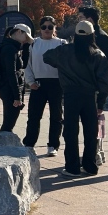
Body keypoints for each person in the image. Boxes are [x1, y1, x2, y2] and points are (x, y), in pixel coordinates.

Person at [44, 20, 108, 177]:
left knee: (70, 132)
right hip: (90, 97)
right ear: (92, 35)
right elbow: (105, 83)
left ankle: (72, 167)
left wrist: (62, 66)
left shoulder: (64, 51)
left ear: (75, 35)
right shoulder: (98, 55)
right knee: (91, 132)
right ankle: (90, 166)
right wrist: (101, 102)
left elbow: (46, 57)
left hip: (70, 95)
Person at [23, 16, 66, 156]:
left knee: (56, 117)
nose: (47, 30)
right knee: (34, 117)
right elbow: (27, 65)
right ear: (40, 29)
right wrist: (31, 82)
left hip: (56, 84)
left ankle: (53, 145)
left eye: (50, 27)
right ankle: (29, 144)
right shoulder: (34, 44)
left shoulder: (62, 43)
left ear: (55, 29)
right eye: (44, 27)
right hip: (38, 84)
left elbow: (68, 65)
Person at [0, 24, 32, 133]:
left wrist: (26, 47)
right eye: (25, 37)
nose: (25, 40)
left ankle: (4, 144)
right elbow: (11, 73)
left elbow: (23, 65)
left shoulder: (13, 47)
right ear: (18, 32)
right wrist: (17, 97)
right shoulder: (10, 49)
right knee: (8, 123)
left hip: (9, 89)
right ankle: (3, 146)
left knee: (9, 121)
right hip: (9, 90)